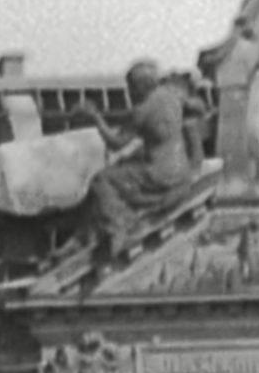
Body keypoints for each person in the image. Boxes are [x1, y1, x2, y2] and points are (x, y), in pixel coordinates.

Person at [80, 61, 203, 250]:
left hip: (160, 176)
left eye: (131, 87)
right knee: (127, 164)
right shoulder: (172, 94)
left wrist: (96, 117)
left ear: (140, 87)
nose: (129, 91)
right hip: (181, 170)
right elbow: (197, 107)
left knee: (101, 180)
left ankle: (120, 225)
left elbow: (116, 143)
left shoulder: (142, 110)